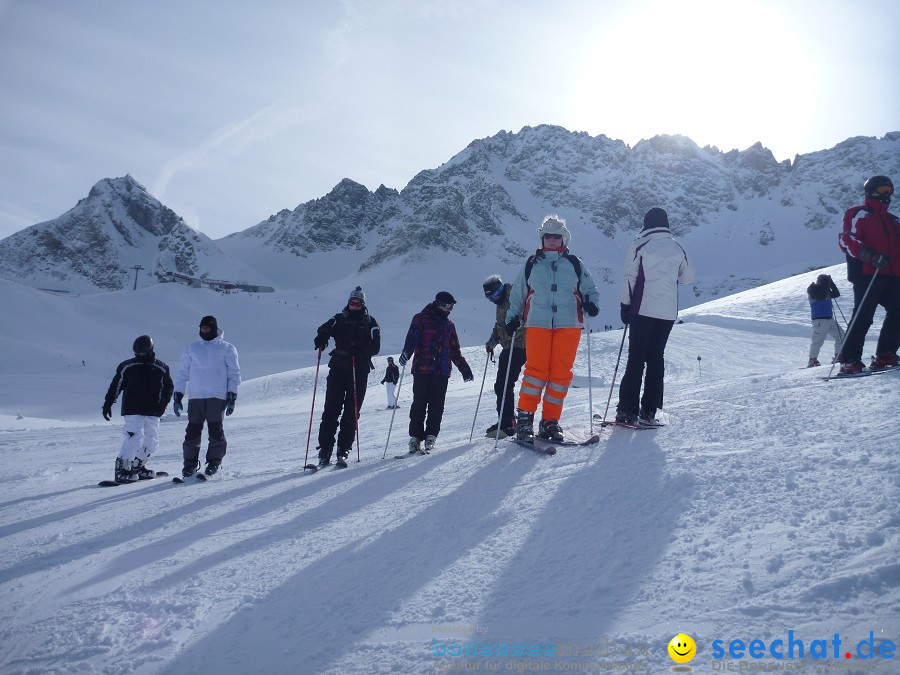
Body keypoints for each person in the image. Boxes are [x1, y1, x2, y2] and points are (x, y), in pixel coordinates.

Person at [504, 215, 600, 443]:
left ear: (564, 238)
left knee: (560, 375)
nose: (552, 240)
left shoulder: (575, 263)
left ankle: (550, 421)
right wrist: (512, 317)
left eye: (556, 236)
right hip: (538, 323)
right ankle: (525, 421)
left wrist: (591, 304)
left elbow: (589, 288)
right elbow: (518, 294)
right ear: (542, 238)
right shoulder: (531, 264)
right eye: (548, 236)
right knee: (536, 372)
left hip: (569, 324)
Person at [615, 207, 695, 426]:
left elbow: (630, 278)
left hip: (642, 309)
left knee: (636, 358)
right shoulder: (678, 247)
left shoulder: (640, 244)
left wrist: (625, 305)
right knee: (656, 358)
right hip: (667, 312)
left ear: (647, 223)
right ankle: (649, 410)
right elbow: (687, 277)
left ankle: (626, 410)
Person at [837, 175, 900, 374]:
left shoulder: (894, 220)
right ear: (870, 191)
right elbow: (847, 239)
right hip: (868, 273)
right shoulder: (858, 213)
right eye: (881, 190)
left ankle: (885, 355)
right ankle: (849, 360)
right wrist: (870, 256)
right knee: (864, 315)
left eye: (888, 190)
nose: (885, 194)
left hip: (893, 275)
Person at [399, 291, 474, 453]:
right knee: (419, 403)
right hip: (422, 368)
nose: (450, 310)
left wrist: (464, 368)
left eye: (452, 307)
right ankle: (415, 437)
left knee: (436, 405)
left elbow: (454, 350)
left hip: (441, 371)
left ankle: (431, 436)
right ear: (439, 304)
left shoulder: (449, 325)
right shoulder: (420, 318)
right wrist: (406, 353)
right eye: (449, 306)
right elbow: (411, 339)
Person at [314, 286, 381, 466]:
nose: (354, 306)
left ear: (363, 305)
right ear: (348, 302)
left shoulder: (370, 322)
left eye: (358, 303)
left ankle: (343, 450)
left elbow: (376, 346)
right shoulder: (339, 318)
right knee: (331, 410)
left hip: (358, 369)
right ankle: (325, 449)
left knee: (352, 412)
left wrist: (360, 352)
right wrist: (321, 338)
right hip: (338, 367)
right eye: (352, 302)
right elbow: (324, 328)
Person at [173, 315, 241, 478]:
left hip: (217, 396)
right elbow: (182, 373)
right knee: (192, 433)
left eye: (207, 328)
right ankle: (189, 465)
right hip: (196, 397)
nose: (204, 330)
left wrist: (232, 396)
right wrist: (178, 395)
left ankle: (214, 462)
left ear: (214, 329)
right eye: (202, 328)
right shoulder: (192, 348)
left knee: (216, 432)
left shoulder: (226, 348)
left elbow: (234, 373)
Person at [102, 335, 174, 483]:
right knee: (133, 438)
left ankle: (138, 466)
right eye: (136, 353)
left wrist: (162, 405)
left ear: (150, 350)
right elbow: (116, 385)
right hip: (132, 408)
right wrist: (108, 403)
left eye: (141, 353)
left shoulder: (161, 368)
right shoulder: (127, 366)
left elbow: (169, 388)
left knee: (152, 441)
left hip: (153, 410)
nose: (138, 356)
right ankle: (122, 469)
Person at [482, 274, 526, 438]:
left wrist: (515, 327)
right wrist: (493, 340)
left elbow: (526, 316)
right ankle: (505, 419)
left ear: (500, 288)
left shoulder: (516, 295)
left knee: (504, 384)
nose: (494, 300)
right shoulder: (500, 302)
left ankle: (508, 422)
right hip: (508, 346)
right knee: (501, 385)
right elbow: (499, 324)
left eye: (494, 295)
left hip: (520, 344)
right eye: (490, 298)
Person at [806, 274, 843, 367]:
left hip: (829, 318)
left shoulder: (825, 291)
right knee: (818, 341)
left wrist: (831, 283)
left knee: (841, 336)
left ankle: (838, 356)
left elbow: (837, 293)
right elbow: (821, 296)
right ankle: (812, 360)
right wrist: (828, 284)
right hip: (820, 320)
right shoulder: (814, 290)